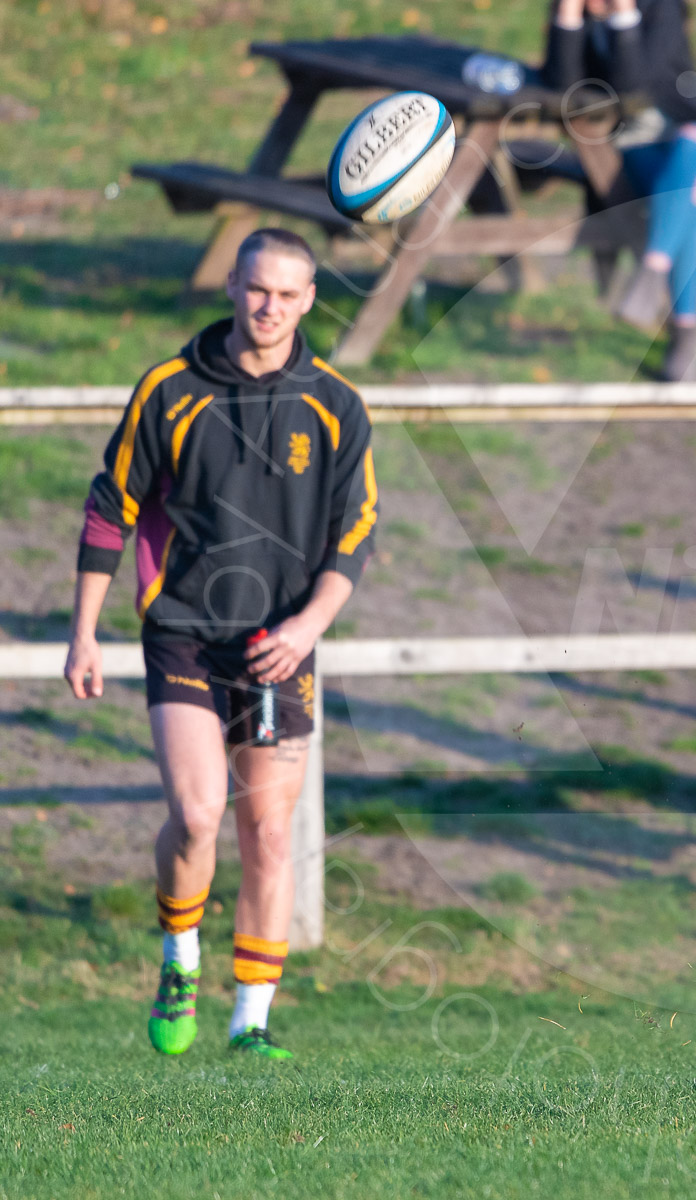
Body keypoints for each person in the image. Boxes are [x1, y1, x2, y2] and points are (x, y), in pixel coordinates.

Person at [64, 228, 378, 1059]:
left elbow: (356, 534)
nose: (270, 307)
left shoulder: (337, 405)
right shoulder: (170, 390)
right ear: (232, 287)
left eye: (288, 293)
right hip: (184, 637)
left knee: (270, 833)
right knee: (199, 815)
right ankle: (178, 958)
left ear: (310, 298)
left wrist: (310, 626)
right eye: (256, 289)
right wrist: (84, 634)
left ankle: (252, 1024)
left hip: (282, 644)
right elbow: (110, 506)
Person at [542, 0, 696, 381]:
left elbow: (639, 85)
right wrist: (568, 16)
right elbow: (561, 88)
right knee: (692, 194)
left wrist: (624, 15)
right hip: (639, 152)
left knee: (691, 148)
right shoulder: (577, 13)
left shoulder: (661, 7)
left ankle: (652, 271)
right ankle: (685, 334)